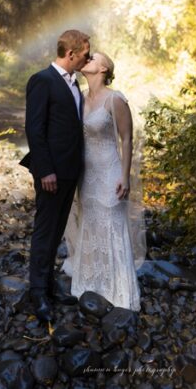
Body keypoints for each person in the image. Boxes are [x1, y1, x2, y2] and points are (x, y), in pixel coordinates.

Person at [61, 52, 145, 311]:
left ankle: (119, 291)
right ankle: (91, 286)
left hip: (109, 173)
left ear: (104, 68)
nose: (86, 58)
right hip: (86, 175)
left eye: (93, 57)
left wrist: (125, 175)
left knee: (111, 225)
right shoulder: (80, 98)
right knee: (90, 224)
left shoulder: (115, 99)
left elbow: (127, 139)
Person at [19, 29, 91, 324]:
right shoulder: (42, 80)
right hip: (50, 172)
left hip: (70, 171)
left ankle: (49, 285)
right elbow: (34, 129)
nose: (87, 58)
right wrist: (45, 169)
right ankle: (37, 292)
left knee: (58, 229)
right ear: (71, 53)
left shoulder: (75, 85)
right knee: (45, 230)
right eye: (85, 54)